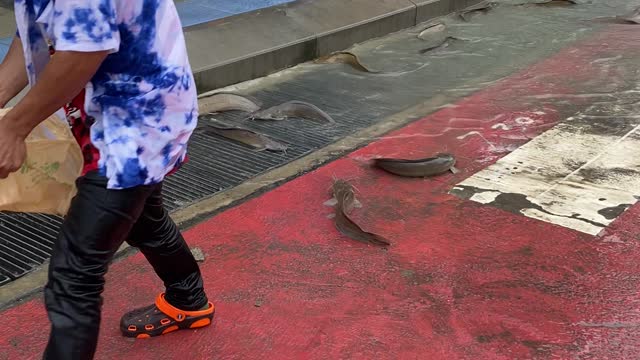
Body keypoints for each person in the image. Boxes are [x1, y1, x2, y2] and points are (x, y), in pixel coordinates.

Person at [0, 1, 214, 359]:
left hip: (138, 124)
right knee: (144, 220)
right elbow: (33, 30)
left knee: (74, 275)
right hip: (104, 111)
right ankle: (187, 298)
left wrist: (14, 127)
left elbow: (86, 49)